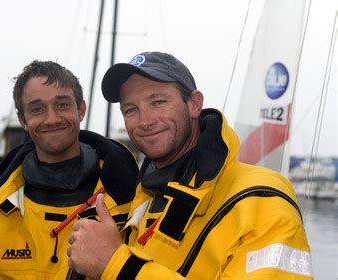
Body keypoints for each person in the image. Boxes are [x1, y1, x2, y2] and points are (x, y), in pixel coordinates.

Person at [67, 51, 313, 279]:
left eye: (158, 102)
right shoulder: (146, 197)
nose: (145, 121)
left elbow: (119, 267)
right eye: (131, 109)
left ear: (194, 104)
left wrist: (117, 265)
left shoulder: (260, 197)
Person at [0, 60, 139, 279]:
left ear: (81, 109)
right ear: (23, 120)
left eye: (62, 105)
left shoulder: (130, 197)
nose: (51, 119)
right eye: (37, 109)